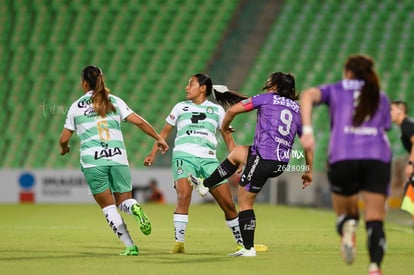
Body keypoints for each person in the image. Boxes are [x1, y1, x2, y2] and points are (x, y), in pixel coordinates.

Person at [189, 72, 313, 257]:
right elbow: (308, 144)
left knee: (245, 201)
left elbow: (232, 111)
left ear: (275, 86)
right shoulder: (297, 109)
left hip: (264, 157)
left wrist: (224, 127)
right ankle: (205, 185)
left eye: (270, 81)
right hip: (280, 161)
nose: (268, 83)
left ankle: (248, 249)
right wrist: (308, 171)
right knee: (237, 153)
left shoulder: (267, 99)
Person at [59, 65, 169, 256]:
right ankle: (133, 206)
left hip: (93, 162)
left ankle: (130, 246)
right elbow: (140, 121)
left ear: (84, 83)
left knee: (109, 207)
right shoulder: (114, 101)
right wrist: (158, 138)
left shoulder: (76, 106)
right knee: (124, 200)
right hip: (118, 157)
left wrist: (64, 149)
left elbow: (63, 139)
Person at [300, 54, 391, 275]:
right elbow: (385, 128)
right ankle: (374, 267)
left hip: (343, 156)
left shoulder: (337, 89)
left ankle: (348, 227)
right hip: (377, 157)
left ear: (348, 72)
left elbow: (307, 95)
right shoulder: (380, 96)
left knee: (345, 215)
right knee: (375, 219)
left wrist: (308, 131)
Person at [144, 73, 245, 254]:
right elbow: (164, 133)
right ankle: (179, 242)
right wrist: (152, 153)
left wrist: (235, 158)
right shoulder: (180, 107)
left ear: (203, 88)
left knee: (228, 204)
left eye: (191, 84)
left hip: (209, 159)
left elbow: (228, 138)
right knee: (183, 196)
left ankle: (241, 242)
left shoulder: (217, 111)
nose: (186, 87)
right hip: (184, 155)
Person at [390, 100, 414, 227]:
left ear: (400, 111)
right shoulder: (405, 126)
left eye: (392, 110)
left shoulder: (407, 125)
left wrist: (411, 164)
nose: (390, 113)